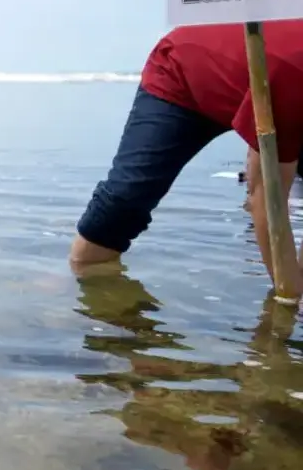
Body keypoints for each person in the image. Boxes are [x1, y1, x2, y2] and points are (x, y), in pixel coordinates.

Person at [71, 20, 303, 293]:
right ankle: (81, 276)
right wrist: (290, 297)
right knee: (127, 199)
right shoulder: (294, 76)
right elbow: (267, 197)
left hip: (264, 83)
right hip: (181, 75)